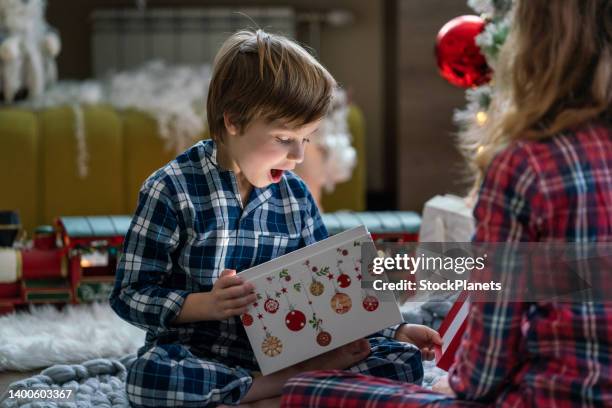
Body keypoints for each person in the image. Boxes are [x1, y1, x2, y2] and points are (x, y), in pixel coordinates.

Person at [281, 0, 612, 406]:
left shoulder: (524, 165)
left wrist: (457, 384)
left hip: (546, 396)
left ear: (528, 51)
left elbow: (491, 352)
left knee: (302, 390)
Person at [110, 29, 441, 408]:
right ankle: (284, 386)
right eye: (285, 139)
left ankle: (267, 388)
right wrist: (205, 305)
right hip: (199, 351)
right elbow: (129, 294)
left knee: (403, 362)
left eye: (307, 138)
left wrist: (397, 329)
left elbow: (336, 291)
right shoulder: (170, 189)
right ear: (233, 121)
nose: (298, 156)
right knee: (148, 379)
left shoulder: (295, 196)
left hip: (290, 348)